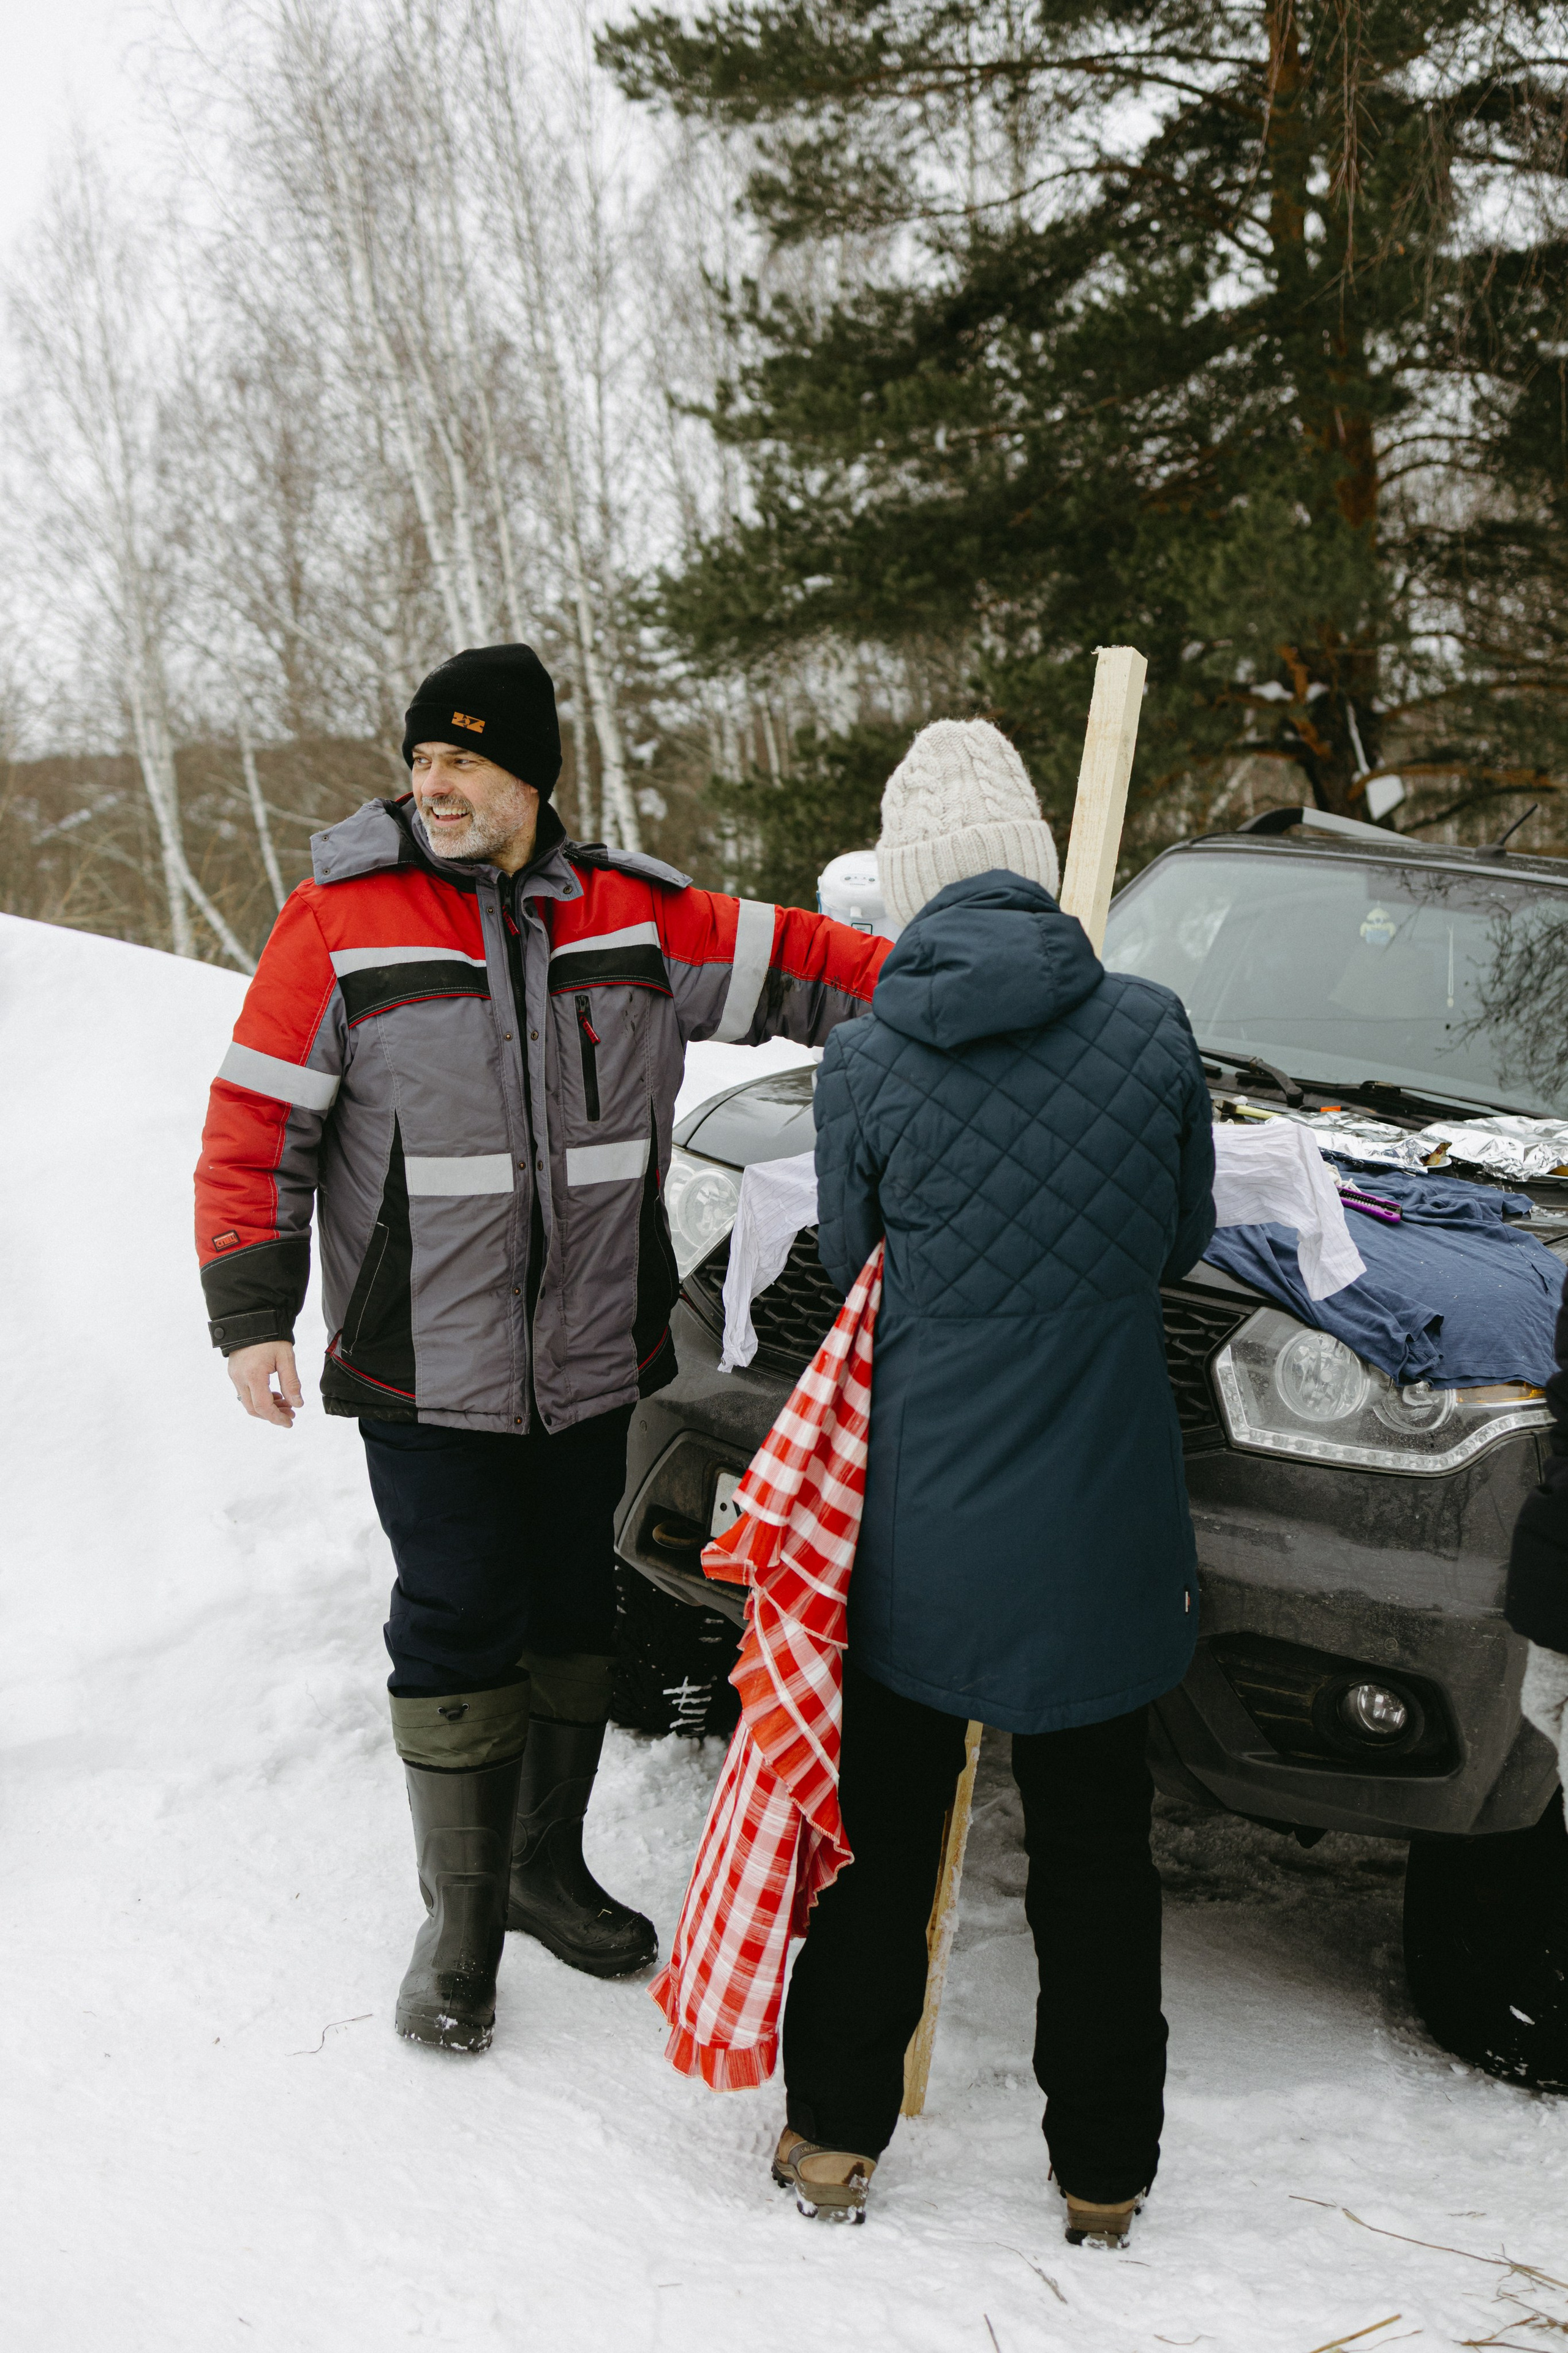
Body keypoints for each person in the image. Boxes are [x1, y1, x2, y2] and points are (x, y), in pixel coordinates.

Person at [194, 643, 886, 2053]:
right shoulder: (341, 921)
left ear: (528, 776)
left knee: (575, 1608)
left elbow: (820, 968)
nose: (429, 785)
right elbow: (256, 1125)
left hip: (592, 1353)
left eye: (460, 760)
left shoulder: (636, 917)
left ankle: (540, 1866)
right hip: (421, 1361)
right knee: (454, 1617)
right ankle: (458, 1921)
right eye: (420, 761)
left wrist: (977, 977)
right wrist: (251, 1314)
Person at [771, 720, 1215, 2245]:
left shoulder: (868, 1058)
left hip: (926, 1524)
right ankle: (1101, 2174)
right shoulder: (1152, 1030)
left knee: (884, 1837)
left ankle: (833, 2136)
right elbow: (1174, 1242)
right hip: (1102, 1518)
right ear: (1030, 865)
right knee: (1097, 1849)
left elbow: (849, 1261)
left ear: (905, 888)